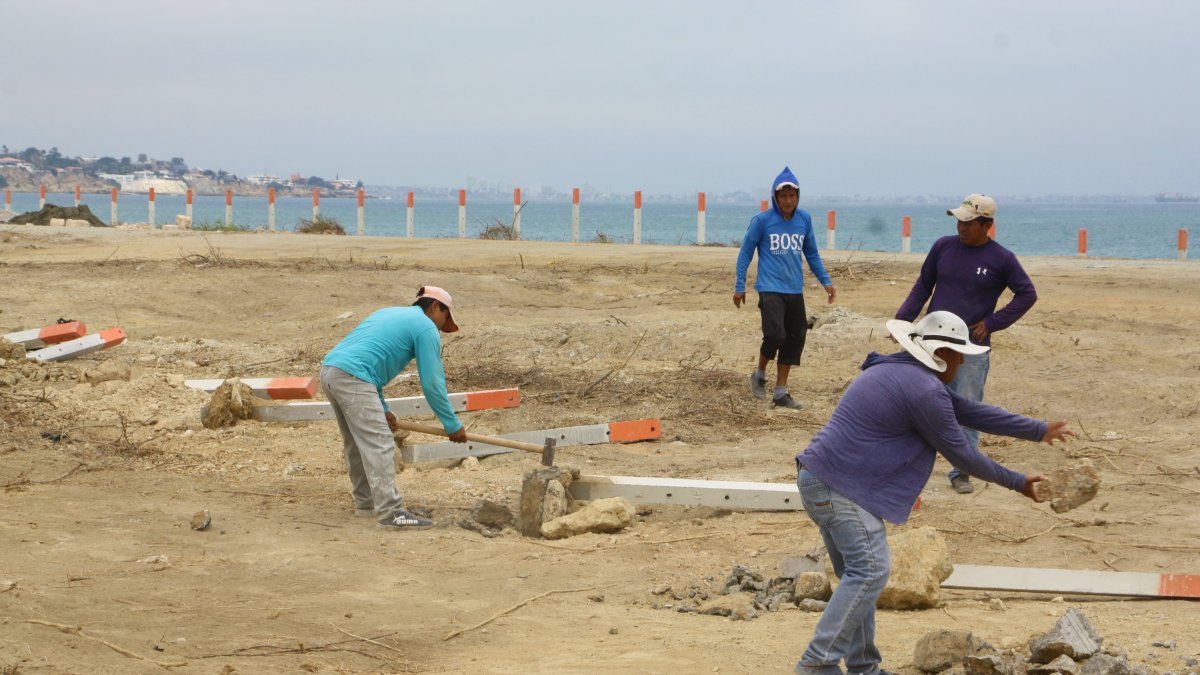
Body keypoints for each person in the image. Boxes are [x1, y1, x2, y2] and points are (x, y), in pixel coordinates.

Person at [791, 311, 1073, 675]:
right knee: (871, 571)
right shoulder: (922, 389)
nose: (961, 362)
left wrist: (1038, 429)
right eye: (959, 356)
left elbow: (971, 412)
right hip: (841, 487)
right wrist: (1018, 482)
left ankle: (863, 667)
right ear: (941, 353)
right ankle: (817, 663)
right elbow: (964, 456)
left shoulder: (903, 374)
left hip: (821, 480)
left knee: (858, 577)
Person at [894, 194, 1037, 494]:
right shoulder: (942, 247)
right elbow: (923, 286)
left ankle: (962, 471)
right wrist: (903, 323)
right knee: (915, 399)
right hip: (930, 342)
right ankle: (902, 462)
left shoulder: (1002, 259)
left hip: (971, 348)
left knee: (967, 408)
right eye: (959, 220)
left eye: (969, 223)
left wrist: (992, 323)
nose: (962, 226)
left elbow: (1027, 294)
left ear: (987, 225)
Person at [320, 285, 468, 531]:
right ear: (434, 307)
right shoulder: (425, 327)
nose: (443, 326)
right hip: (353, 376)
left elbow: (370, 363)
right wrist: (452, 424)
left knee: (357, 444)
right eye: (445, 318)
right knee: (380, 443)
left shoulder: (388, 313)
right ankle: (391, 513)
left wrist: (383, 407)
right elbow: (432, 383)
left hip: (331, 371)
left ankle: (366, 506)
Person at [733, 166, 836, 410]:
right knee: (775, 334)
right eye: (783, 196)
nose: (788, 200)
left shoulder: (804, 220)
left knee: (795, 337)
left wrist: (826, 281)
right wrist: (740, 286)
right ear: (775, 197)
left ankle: (780, 392)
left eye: (792, 196)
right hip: (769, 287)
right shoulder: (762, 221)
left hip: (794, 290)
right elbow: (745, 252)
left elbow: (811, 252)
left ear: (797, 197)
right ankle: (759, 374)